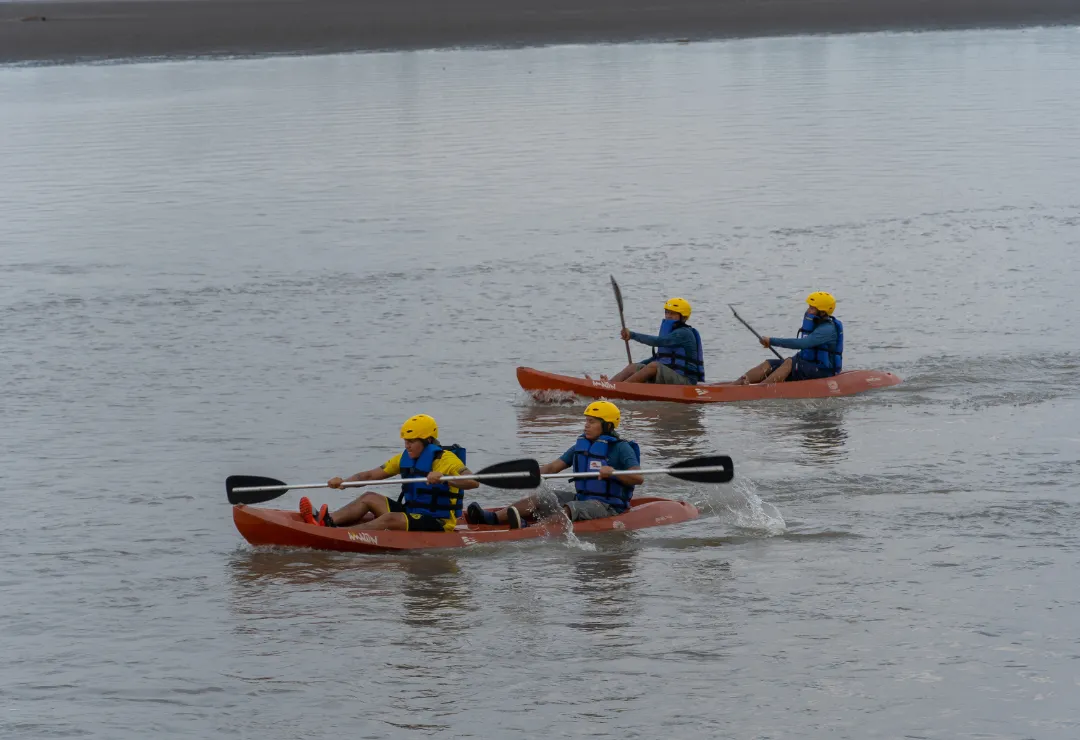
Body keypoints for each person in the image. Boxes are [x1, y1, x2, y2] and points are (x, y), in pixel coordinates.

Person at [464, 401, 643, 529]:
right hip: (583, 498)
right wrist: (531, 473)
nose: (586, 426)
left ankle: (532, 530)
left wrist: (613, 472)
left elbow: (638, 477)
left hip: (608, 506)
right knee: (539, 497)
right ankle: (492, 518)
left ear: (607, 425)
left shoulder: (622, 448)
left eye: (592, 422)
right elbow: (553, 468)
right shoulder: (580, 447)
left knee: (571, 509)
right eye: (586, 421)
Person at [297, 414, 479, 531]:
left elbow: (472, 481)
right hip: (412, 511)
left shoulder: (446, 460)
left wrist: (445, 479)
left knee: (390, 518)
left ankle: (340, 534)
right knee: (369, 497)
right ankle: (326, 523)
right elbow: (369, 475)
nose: (407, 445)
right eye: (405, 441)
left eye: (412, 441)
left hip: (437, 522)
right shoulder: (404, 458)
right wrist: (343, 483)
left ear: (428, 440)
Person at [733, 291, 844, 385]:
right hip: (807, 365)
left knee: (789, 362)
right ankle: (736, 385)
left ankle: (760, 390)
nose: (808, 310)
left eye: (812, 308)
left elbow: (802, 344)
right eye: (809, 307)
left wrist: (771, 341)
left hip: (823, 371)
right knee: (769, 364)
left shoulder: (827, 329)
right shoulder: (814, 324)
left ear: (822, 312)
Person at [596, 297, 705, 385]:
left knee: (654, 366)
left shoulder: (684, 333)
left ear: (683, 317)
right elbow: (659, 357)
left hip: (685, 381)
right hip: (670, 376)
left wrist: (632, 335)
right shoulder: (672, 332)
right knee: (634, 366)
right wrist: (635, 369)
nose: (668, 316)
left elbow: (658, 341)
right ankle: (609, 385)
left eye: (673, 314)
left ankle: (620, 389)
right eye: (667, 312)